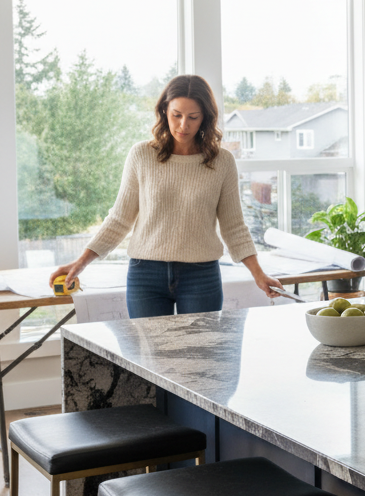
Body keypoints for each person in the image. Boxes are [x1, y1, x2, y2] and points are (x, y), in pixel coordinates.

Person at [49, 74, 283, 317]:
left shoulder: (222, 162)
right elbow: (119, 219)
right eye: (177, 115)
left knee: (199, 354)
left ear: (205, 117)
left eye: (193, 117)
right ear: (164, 111)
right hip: (145, 275)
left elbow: (234, 226)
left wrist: (259, 274)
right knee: (148, 355)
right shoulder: (141, 155)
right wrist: (80, 263)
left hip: (201, 275)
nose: (184, 125)